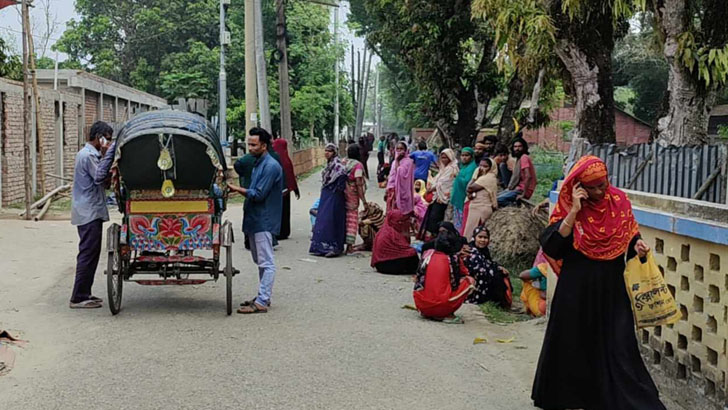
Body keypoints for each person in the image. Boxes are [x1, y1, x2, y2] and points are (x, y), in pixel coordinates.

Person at [531, 155, 665, 410]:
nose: (599, 191)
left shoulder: (619, 201)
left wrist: (637, 245)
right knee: (571, 340)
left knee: (619, 341)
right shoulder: (570, 207)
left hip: (612, 286)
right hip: (576, 287)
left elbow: (629, 233)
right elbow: (553, 246)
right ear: (580, 186)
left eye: (602, 184)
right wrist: (574, 212)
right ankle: (567, 398)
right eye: (592, 187)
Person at [228, 127, 284, 314]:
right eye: (249, 144)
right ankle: (262, 296)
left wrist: (237, 189)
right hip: (255, 217)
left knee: (266, 262)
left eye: (253, 145)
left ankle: (262, 299)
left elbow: (258, 194)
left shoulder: (270, 166)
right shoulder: (259, 163)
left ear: (264, 145)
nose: (250, 148)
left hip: (264, 219)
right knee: (260, 260)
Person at [69, 121, 114, 309]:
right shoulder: (88, 156)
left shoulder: (90, 155)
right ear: (99, 138)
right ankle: (78, 297)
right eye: (107, 139)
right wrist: (107, 154)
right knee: (87, 253)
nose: (109, 143)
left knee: (92, 253)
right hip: (88, 211)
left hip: (90, 210)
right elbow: (101, 179)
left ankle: (84, 292)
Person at [413, 223, 475, 323]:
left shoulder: (427, 254)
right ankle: (446, 313)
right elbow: (460, 277)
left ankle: (428, 311)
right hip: (440, 306)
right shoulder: (453, 259)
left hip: (421, 304)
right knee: (470, 281)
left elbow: (418, 277)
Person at [309, 144, 348, 257]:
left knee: (332, 220)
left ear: (334, 152)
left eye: (330, 151)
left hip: (335, 196)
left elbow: (342, 179)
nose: (327, 153)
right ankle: (321, 247)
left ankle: (335, 248)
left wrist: (335, 191)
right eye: (326, 151)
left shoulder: (338, 165)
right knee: (323, 220)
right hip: (326, 195)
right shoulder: (329, 165)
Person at [464, 226, 512, 307]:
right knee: (497, 276)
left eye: (485, 237)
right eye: (480, 237)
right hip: (475, 284)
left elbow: (488, 262)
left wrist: (498, 267)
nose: (483, 240)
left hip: (482, 280)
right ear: (474, 238)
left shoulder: (484, 251)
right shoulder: (471, 251)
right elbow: (480, 270)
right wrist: (496, 270)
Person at [421, 149, 459, 239]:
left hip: (443, 197)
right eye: (442, 157)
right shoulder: (444, 169)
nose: (444, 160)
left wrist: (431, 189)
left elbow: (445, 183)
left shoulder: (452, 169)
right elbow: (437, 180)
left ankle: (435, 237)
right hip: (437, 196)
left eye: (446, 157)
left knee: (436, 217)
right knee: (433, 217)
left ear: (450, 158)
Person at [371, 210, 419, 274]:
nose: (401, 223)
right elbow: (405, 249)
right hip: (386, 265)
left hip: (380, 264)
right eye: (399, 221)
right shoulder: (391, 234)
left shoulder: (383, 230)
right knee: (412, 253)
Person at [461, 158, 498, 240]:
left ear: (491, 168)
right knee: (467, 231)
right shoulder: (482, 177)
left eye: (485, 166)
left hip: (480, 208)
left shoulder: (489, 178)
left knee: (472, 233)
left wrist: (474, 177)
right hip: (474, 207)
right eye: (480, 165)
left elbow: (469, 188)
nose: (481, 168)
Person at [272, 136, 300, 240]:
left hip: (277, 190)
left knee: (278, 211)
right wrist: (295, 188)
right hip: (285, 191)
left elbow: (289, 175)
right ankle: (284, 232)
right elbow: (290, 175)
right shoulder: (286, 159)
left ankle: (278, 232)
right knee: (285, 211)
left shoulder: (274, 158)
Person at [497, 135, 537, 207]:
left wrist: (523, 194)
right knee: (495, 197)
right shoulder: (519, 159)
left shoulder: (524, 157)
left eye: (519, 146)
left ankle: (514, 207)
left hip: (522, 190)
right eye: (515, 147)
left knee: (498, 200)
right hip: (518, 188)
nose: (517, 149)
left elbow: (528, 176)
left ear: (524, 147)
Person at [343, 144, 368, 253]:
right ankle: (349, 246)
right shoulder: (358, 165)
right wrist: (363, 200)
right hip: (352, 195)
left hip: (341, 194)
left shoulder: (342, 162)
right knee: (352, 219)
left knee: (342, 218)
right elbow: (358, 182)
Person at [449, 147, 477, 232]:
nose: (464, 157)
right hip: (458, 196)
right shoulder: (463, 167)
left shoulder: (472, 168)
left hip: (463, 198)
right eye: (462, 155)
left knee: (462, 220)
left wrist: (458, 176)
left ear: (471, 157)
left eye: (467, 155)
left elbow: (468, 182)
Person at [386, 141, 415, 215]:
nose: (399, 151)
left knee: (401, 213)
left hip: (402, 191)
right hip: (392, 190)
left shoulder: (408, 162)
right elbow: (392, 176)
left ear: (405, 150)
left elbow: (401, 175)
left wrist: (397, 161)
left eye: (401, 148)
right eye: (397, 149)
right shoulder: (394, 162)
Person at [519, 250, 549, 317]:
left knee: (528, 283)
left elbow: (522, 275)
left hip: (543, 309)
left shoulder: (544, 267)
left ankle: (529, 308)